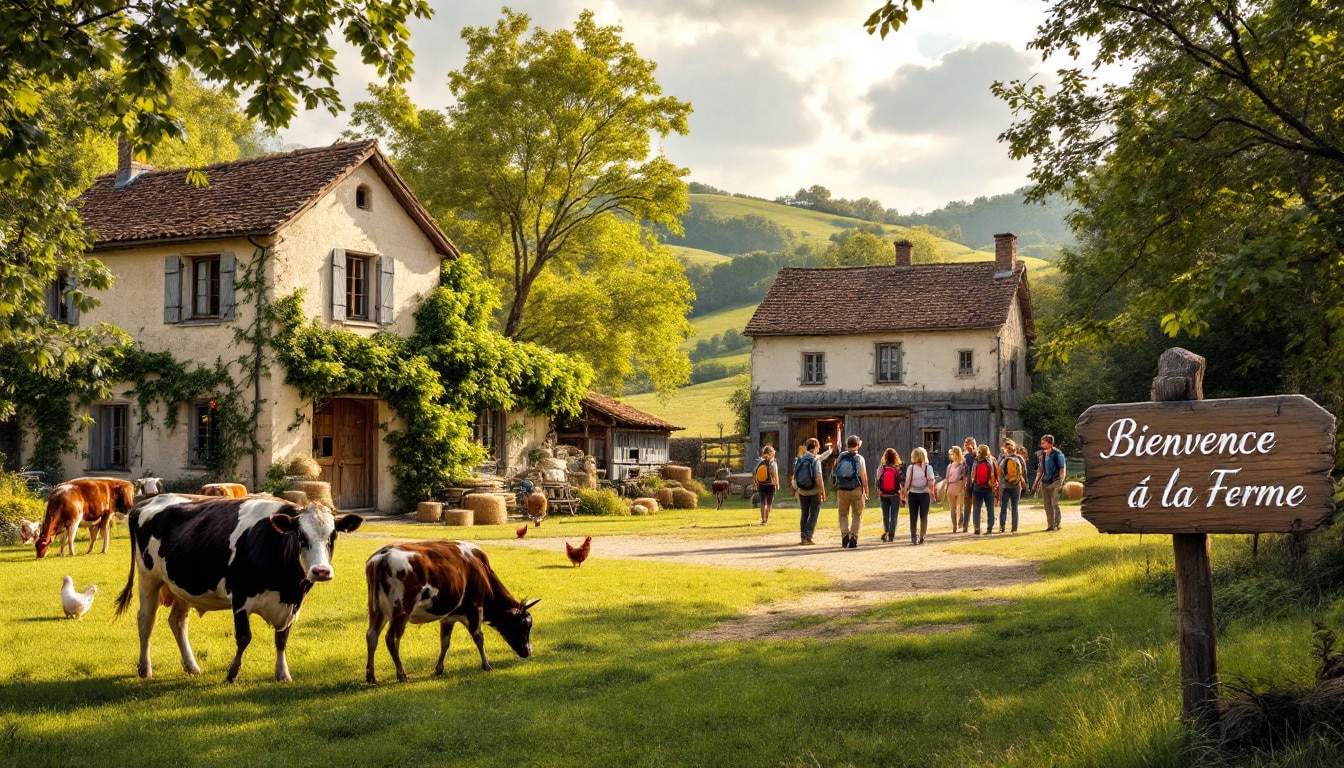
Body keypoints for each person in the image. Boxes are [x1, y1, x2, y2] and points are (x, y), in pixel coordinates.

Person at [831, 435, 868, 549]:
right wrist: (866, 490)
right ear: (858, 445)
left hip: (842, 489)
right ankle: (854, 537)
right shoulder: (859, 458)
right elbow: (863, 476)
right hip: (856, 488)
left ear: (847, 445)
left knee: (843, 514)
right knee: (857, 514)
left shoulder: (841, 456)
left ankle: (844, 535)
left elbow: (834, 472)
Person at [790, 438, 827, 545]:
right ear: (815, 447)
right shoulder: (815, 460)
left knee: (804, 513)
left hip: (802, 491)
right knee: (814, 513)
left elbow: (795, 475)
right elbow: (819, 478)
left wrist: (795, 489)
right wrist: (823, 492)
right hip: (814, 491)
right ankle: (809, 535)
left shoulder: (799, 460)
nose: (819, 449)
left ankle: (803, 536)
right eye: (818, 447)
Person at [1033, 434, 1067, 531]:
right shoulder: (1043, 454)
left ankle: (1057, 523)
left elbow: (1062, 468)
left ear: (1050, 443)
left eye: (1043, 442)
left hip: (1055, 481)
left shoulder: (1058, 454)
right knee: (1047, 505)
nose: (1041, 444)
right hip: (1045, 481)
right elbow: (1041, 470)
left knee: (1054, 504)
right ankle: (1050, 525)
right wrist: (1036, 484)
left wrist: (1061, 481)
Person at [902, 447, 936, 544]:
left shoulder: (911, 468)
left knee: (913, 515)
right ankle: (922, 535)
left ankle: (913, 535)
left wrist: (905, 492)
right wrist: (932, 493)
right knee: (923, 515)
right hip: (925, 493)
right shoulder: (928, 468)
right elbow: (931, 482)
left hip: (913, 494)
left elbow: (908, 481)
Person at [875, 448, 904, 543]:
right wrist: (901, 495)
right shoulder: (897, 469)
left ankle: (886, 532)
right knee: (894, 515)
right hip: (894, 494)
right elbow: (900, 483)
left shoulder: (881, 468)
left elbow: (877, 480)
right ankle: (892, 534)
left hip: (883, 495)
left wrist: (878, 490)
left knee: (885, 515)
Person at [997, 438, 1027, 533]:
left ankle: (1002, 527)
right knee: (1015, 507)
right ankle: (1014, 528)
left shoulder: (1003, 459)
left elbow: (999, 472)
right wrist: (1025, 484)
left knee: (1003, 507)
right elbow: (1024, 472)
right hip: (1016, 485)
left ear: (1006, 448)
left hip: (1005, 486)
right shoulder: (1019, 458)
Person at [970, 444, 1000, 535]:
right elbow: (996, 474)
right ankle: (990, 528)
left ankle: (977, 528)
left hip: (977, 488)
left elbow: (972, 474)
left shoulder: (976, 461)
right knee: (990, 508)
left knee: (976, 508)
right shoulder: (991, 460)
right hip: (988, 488)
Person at [753, 445, 779, 526]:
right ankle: (766, 520)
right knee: (769, 503)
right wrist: (777, 484)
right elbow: (775, 474)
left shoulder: (760, 462)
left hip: (761, 484)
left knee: (763, 502)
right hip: (770, 485)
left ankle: (763, 520)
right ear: (771, 453)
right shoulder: (773, 462)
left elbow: (755, 473)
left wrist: (756, 483)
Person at [945, 446, 967, 532]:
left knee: (960, 506)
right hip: (951, 486)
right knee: (952, 508)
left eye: (952, 453)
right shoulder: (950, 466)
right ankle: (954, 525)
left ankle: (960, 523)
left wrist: (962, 488)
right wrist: (946, 488)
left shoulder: (962, 465)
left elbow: (964, 478)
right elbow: (947, 478)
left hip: (959, 485)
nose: (951, 455)